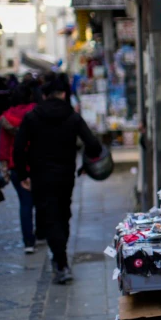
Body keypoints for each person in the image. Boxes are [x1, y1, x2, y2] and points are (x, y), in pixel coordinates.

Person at [13, 75, 102, 284]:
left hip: (41, 175)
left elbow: (18, 148)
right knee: (63, 215)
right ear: (63, 94)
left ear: (44, 95)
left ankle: (60, 262)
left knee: (50, 216)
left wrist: (23, 175)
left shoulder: (32, 117)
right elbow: (94, 145)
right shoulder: (72, 116)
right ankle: (61, 260)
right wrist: (86, 165)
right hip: (65, 175)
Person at [0, 82, 41, 253]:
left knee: (25, 203)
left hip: (16, 165)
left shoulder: (6, 118)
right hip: (37, 163)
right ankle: (41, 233)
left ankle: (28, 242)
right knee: (40, 200)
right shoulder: (37, 112)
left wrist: (4, 166)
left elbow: (3, 146)